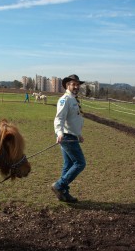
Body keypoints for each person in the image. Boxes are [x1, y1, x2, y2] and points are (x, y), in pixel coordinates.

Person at [51, 74, 86, 203]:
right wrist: (59, 133)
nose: (76, 86)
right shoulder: (65, 99)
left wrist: (78, 135)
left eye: (78, 84)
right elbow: (59, 118)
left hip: (72, 136)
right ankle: (59, 185)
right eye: (73, 84)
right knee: (80, 163)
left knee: (69, 164)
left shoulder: (74, 99)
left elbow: (74, 119)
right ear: (67, 85)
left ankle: (63, 193)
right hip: (66, 137)